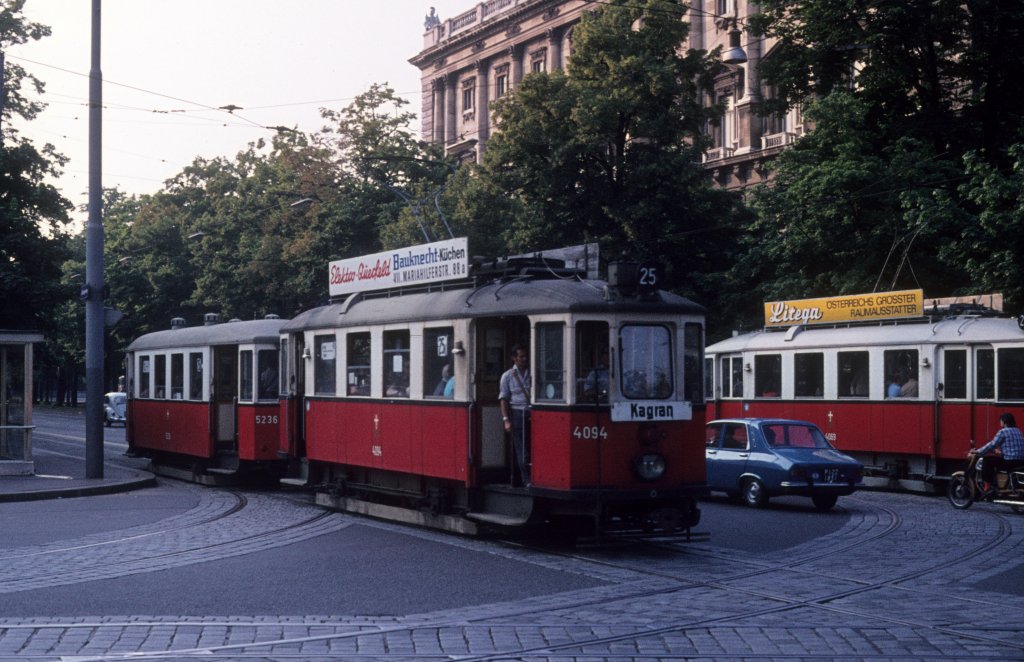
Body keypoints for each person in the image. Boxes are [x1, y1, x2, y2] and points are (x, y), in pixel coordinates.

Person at [970, 413, 1024, 499]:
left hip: (1009, 461)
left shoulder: (1003, 431)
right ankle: (998, 485)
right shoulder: (1018, 431)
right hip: (1021, 461)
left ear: (1004, 422)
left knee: (987, 460)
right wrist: (1000, 452)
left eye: (1001, 421)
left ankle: (987, 487)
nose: (1000, 423)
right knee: (996, 460)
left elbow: (992, 444)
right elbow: (1013, 447)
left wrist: (978, 451)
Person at [499, 344, 531, 486]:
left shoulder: (533, 372)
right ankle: (526, 480)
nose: (524, 359)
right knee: (522, 447)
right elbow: (503, 399)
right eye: (521, 356)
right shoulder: (507, 376)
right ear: (514, 358)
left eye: (525, 356)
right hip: (517, 412)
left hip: (533, 411)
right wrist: (506, 419)